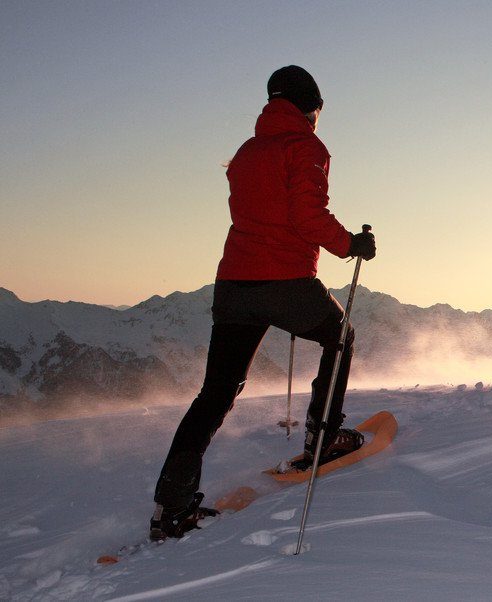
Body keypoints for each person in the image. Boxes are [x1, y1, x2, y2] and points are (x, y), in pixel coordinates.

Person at [150, 65, 377, 540]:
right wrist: (350, 243)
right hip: (285, 279)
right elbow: (306, 215)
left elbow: (263, 210)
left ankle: (172, 508)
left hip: (235, 280)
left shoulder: (247, 151)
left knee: (215, 393)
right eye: (318, 108)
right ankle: (324, 434)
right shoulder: (306, 147)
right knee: (340, 337)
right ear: (309, 105)